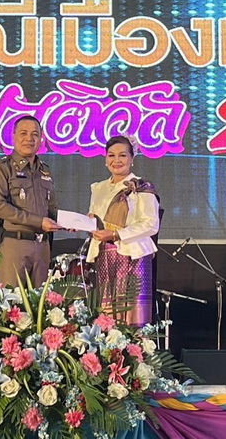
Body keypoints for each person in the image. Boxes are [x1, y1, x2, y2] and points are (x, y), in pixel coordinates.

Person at [87, 135, 160, 326]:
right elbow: (95, 219)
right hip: (104, 254)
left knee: (132, 315)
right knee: (107, 315)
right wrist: (83, 224)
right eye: (111, 155)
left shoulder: (141, 186)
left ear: (132, 158)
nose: (116, 160)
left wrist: (116, 234)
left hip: (133, 256)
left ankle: (135, 346)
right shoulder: (98, 188)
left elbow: (151, 223)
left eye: (122, 155)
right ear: (105, 159)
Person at [0, 116, 60, 287]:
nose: (29, 138)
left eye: (35, 134)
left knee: (41, 300)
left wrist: (69, 222)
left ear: (41, 139)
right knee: (11, 300)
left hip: (42, 247)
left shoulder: (45, 170)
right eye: (23, 133)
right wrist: (39, 222)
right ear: (13, 136)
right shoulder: (2, 167)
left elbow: (51, 209)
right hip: (15, 244)